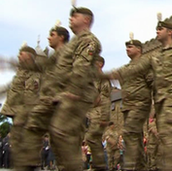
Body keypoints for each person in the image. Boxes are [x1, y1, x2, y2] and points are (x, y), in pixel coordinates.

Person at [105, 13, 172, 170]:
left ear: (169, 32)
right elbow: (149, 78)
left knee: (168, 138)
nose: (157, 31)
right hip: (160, 102)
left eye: (160, 29)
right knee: (164, 139)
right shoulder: (155, 57)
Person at [20, 5, 101, 171]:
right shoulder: (71, 45)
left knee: (61, 133)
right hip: (56, 95)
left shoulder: (88, 41)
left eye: (75, 16)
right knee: (34, 124)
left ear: (86, 20)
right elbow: (48, 67)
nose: (70, 18)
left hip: (75, 95)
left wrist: (72, 90)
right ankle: (29, 164)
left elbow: (81, 68)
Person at [117, 35, 153, 171]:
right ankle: (140, 166)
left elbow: (152, 82)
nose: (127, 49)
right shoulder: (126, 68)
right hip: (127, 107)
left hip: (139, 106)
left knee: (131, 134)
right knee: (133, 138)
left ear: (139, 49)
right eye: (126, 47)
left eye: (130, 46)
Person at [85, 55, 112, 171]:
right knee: (91, 139)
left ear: (100, 64)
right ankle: (97, 165)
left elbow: (105, 98)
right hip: (91, 114)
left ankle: (100, 166)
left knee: (92, 137)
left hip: (99, 113)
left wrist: (104, 117)